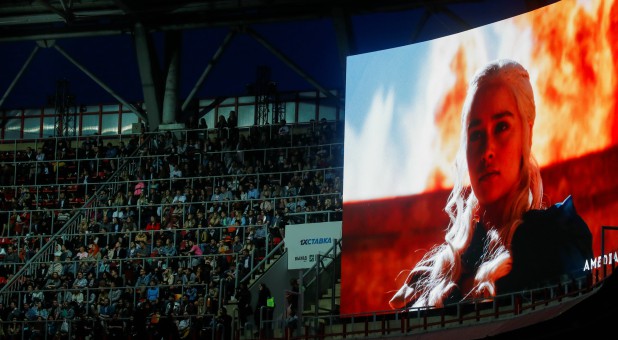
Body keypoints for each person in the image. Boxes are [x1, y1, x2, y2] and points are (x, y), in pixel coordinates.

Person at [389, 59, 593, 309]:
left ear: (526, 135)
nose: (487, 151)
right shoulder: (435, 271)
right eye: (476, 134)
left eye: (502, 127)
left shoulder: (554, 239)